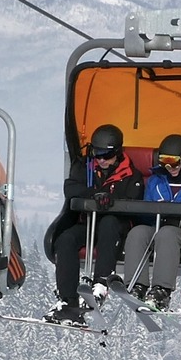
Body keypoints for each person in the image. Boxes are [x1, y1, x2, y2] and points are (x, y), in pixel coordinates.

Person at [43, 123, 142, 325]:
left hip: (116, 229)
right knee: (66, 239)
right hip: (88, 224)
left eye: (107, 156)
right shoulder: (85, 168)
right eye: (98, 155)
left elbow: (134, 200)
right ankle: (68, 300)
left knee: (108, 223)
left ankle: (101, 283)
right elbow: (71, 188)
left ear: (118, 152)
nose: (102, 161)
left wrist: (112, 199)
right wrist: (93, 195)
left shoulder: (131, 175)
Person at [122, 134, 181, 311]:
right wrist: (155, 212)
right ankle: (137, 286)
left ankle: (161, 291)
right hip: (157, 227)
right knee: (138, 232)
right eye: (165, 161)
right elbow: (145, 213)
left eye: (175, 162)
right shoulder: (156, 181)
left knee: (167, 234)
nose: (170, 167)